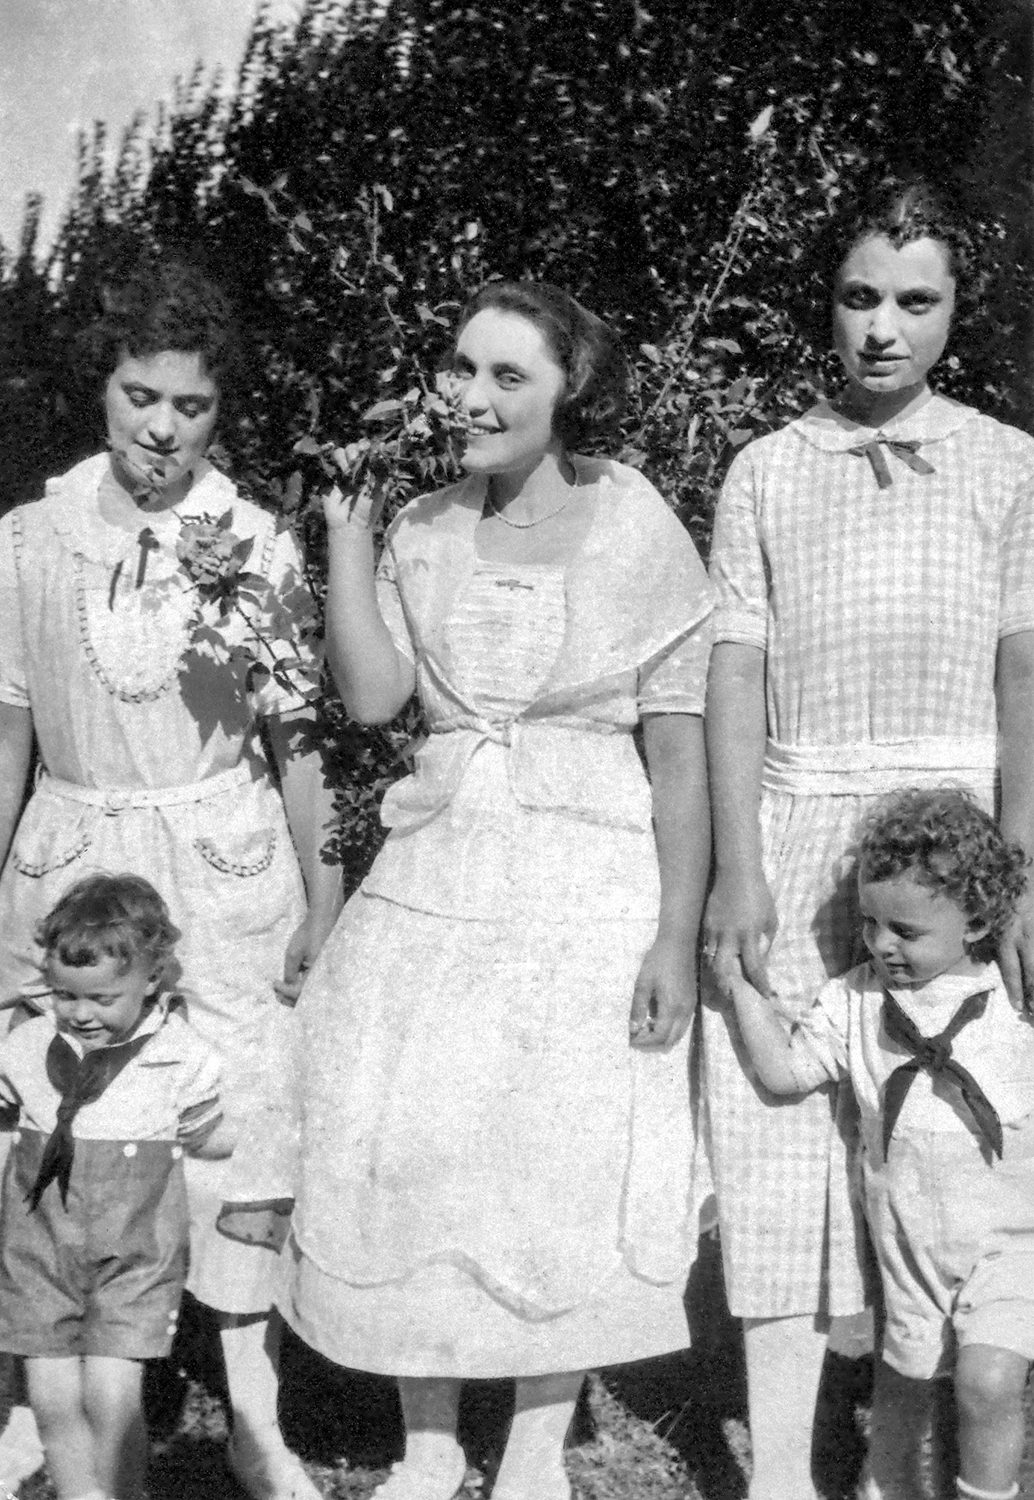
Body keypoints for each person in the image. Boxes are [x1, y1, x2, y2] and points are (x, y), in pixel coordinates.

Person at [255, 280, 713, 1500]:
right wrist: (347, 533)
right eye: (463, 368)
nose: (473, 395)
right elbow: (368, 700)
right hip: (447, 853)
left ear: (569, 393)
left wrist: (673, 932)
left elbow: (676, 751)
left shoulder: (632, 520)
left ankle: (529, 1453)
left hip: (588, 868)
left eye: (509, 376)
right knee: (413, 1121)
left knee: (550, 1141)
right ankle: (426, 1444)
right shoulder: (419, 524)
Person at [701, 174, 1034, 1500]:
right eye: (856, 297)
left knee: (948, 1144)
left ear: (958, 310)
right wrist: (738, 863)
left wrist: (1016, 870)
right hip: (799, 820)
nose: (881, 328)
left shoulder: (1010, 466)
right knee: (776, 1139)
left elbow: (1023, 673)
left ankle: (929, 1459)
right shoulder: (764, 472)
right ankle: (784, 1469)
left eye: (915, 299)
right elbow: (733, 669)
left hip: (953, 852)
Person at [0, 258, 340, 1500]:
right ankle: (53, 1402)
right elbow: (8, 736)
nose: (160, 427)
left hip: (219, 860)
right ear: (101, 386)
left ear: (219, 413)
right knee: (60, 1118)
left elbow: (297, 740)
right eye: (139, 394)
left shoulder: (252, 542)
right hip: (72, 861)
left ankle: (255, 1420)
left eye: (190, 407)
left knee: (239, 1123)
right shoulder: (29, 539)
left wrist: (324, 894)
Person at [727, 788, 1034, 1500]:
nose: (882, 944)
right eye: (869, 923)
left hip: (1013, 1243)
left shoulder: (1015, 1001)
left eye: (905, 930)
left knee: (988, 1382)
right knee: (905, 1400)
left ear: (979, 920)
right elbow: (785, 1072)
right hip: (912, 1252)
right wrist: (739, 989)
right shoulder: (857, 1001)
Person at [0, 874, 232, 1500]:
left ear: (151, 980)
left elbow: (209, 1137)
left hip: (132, 1256)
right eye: (63, 995)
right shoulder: (24, 1049)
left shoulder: (181, 1057)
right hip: (38, 1250)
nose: (79, 1014)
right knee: (50, 1395)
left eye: (101, 998)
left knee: (112, 1394)